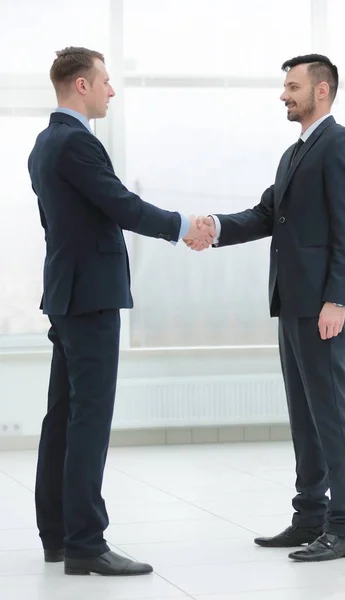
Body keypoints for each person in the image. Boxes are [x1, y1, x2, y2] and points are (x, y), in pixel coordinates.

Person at [28, 46, 214, 576]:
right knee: (89, 420)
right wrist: (183, 226)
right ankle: (86, 543)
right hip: (90, 298)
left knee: (62, 418)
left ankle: (58, 535)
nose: (112, 90)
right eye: (105, 81)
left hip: (66, 295)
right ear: (81, 86)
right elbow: (121, 205)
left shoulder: (44, 144)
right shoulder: (75, 144)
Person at [185, 54, 345, 562]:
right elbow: (268, 214)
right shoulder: (293, 154)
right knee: (305, 415)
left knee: (329, 415)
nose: (283, 95)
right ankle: (309, 517)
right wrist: (213, 228)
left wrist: (338, 299)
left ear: (322, 91)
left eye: (292, 86)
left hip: (322, 306)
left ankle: (343, 528)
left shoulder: (340, 144)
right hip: (291, 303)